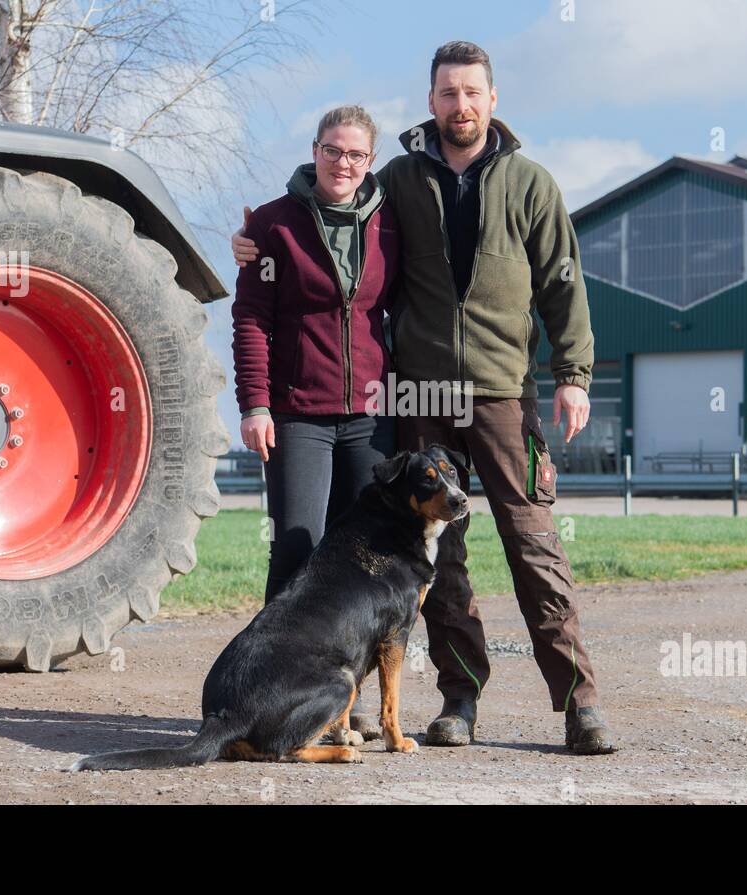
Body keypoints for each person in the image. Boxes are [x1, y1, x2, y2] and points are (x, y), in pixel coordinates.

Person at [234, 42, 620, 755]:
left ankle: (579, 703)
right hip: (420, 394)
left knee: (534, 546)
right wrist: (257, 243)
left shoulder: (532, 183)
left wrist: (574, 373)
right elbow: (329, 212)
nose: (460, 106)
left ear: (493, 100)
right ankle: (459, 698)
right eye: (447, 93)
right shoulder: (400, 180)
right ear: (432, 101)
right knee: (438, 561)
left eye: (472, 92)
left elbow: (564, 282)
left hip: (505, 392)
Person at [231, 105, 398, 738]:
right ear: (314, 151)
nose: (343, 163)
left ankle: (343, 706)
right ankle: (269, 695)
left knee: (371, 561)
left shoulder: (390, 224)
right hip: (298, 415)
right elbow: (251, 320)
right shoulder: (273, 226)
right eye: (333, 150)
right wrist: (256, 404)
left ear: (370, 161)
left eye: (356, 154)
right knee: (297, 551)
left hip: (371, 418)